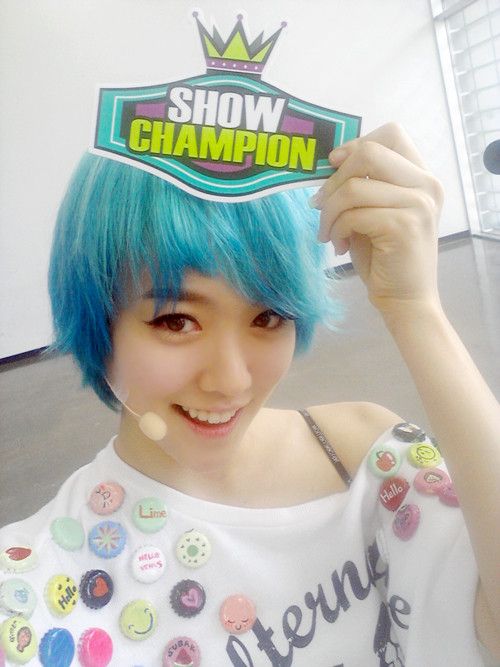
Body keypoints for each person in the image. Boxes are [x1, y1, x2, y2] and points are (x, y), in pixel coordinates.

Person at [0, 123, 498, 666]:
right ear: (99, 319)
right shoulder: (39, 586)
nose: (232, 381)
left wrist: (416, 308)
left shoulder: (365, 458)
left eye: (268, 315)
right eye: (176, 320)